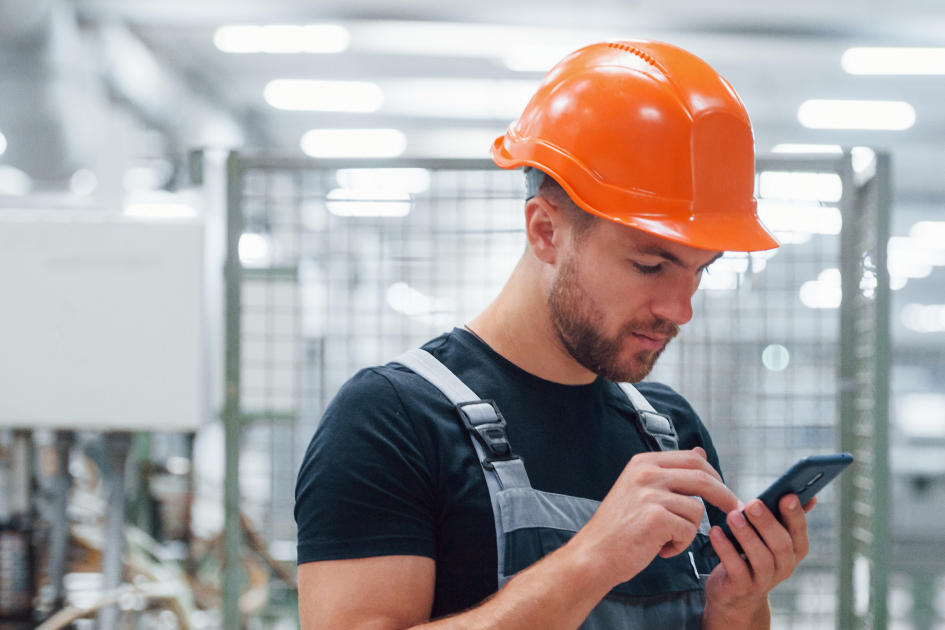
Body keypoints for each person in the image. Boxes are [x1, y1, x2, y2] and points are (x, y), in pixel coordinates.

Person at [295, 40, 816, 630]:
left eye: (701, 270)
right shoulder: (392, 421)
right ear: (546, 231)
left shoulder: (670, 434)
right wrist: (592, 559)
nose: (680, 308)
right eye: (650, 265)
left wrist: (739, 606)